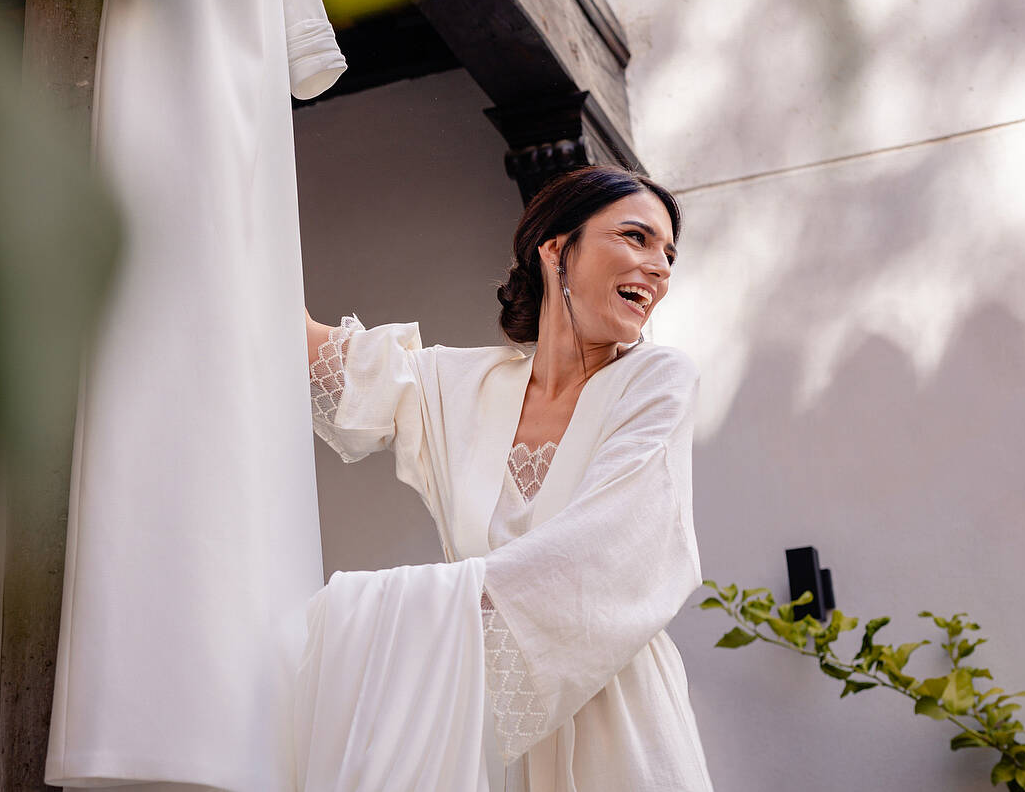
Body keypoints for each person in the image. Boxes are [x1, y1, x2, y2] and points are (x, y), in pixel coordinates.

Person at [302, 164, 715, 791]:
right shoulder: (456, 388)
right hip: (483, 738)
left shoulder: (656, 381)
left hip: (621, 726)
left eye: (668, 253)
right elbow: (307, 352)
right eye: (636, 237)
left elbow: (606, 552)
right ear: (556, 249)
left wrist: (401, 618)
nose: (660, 267)